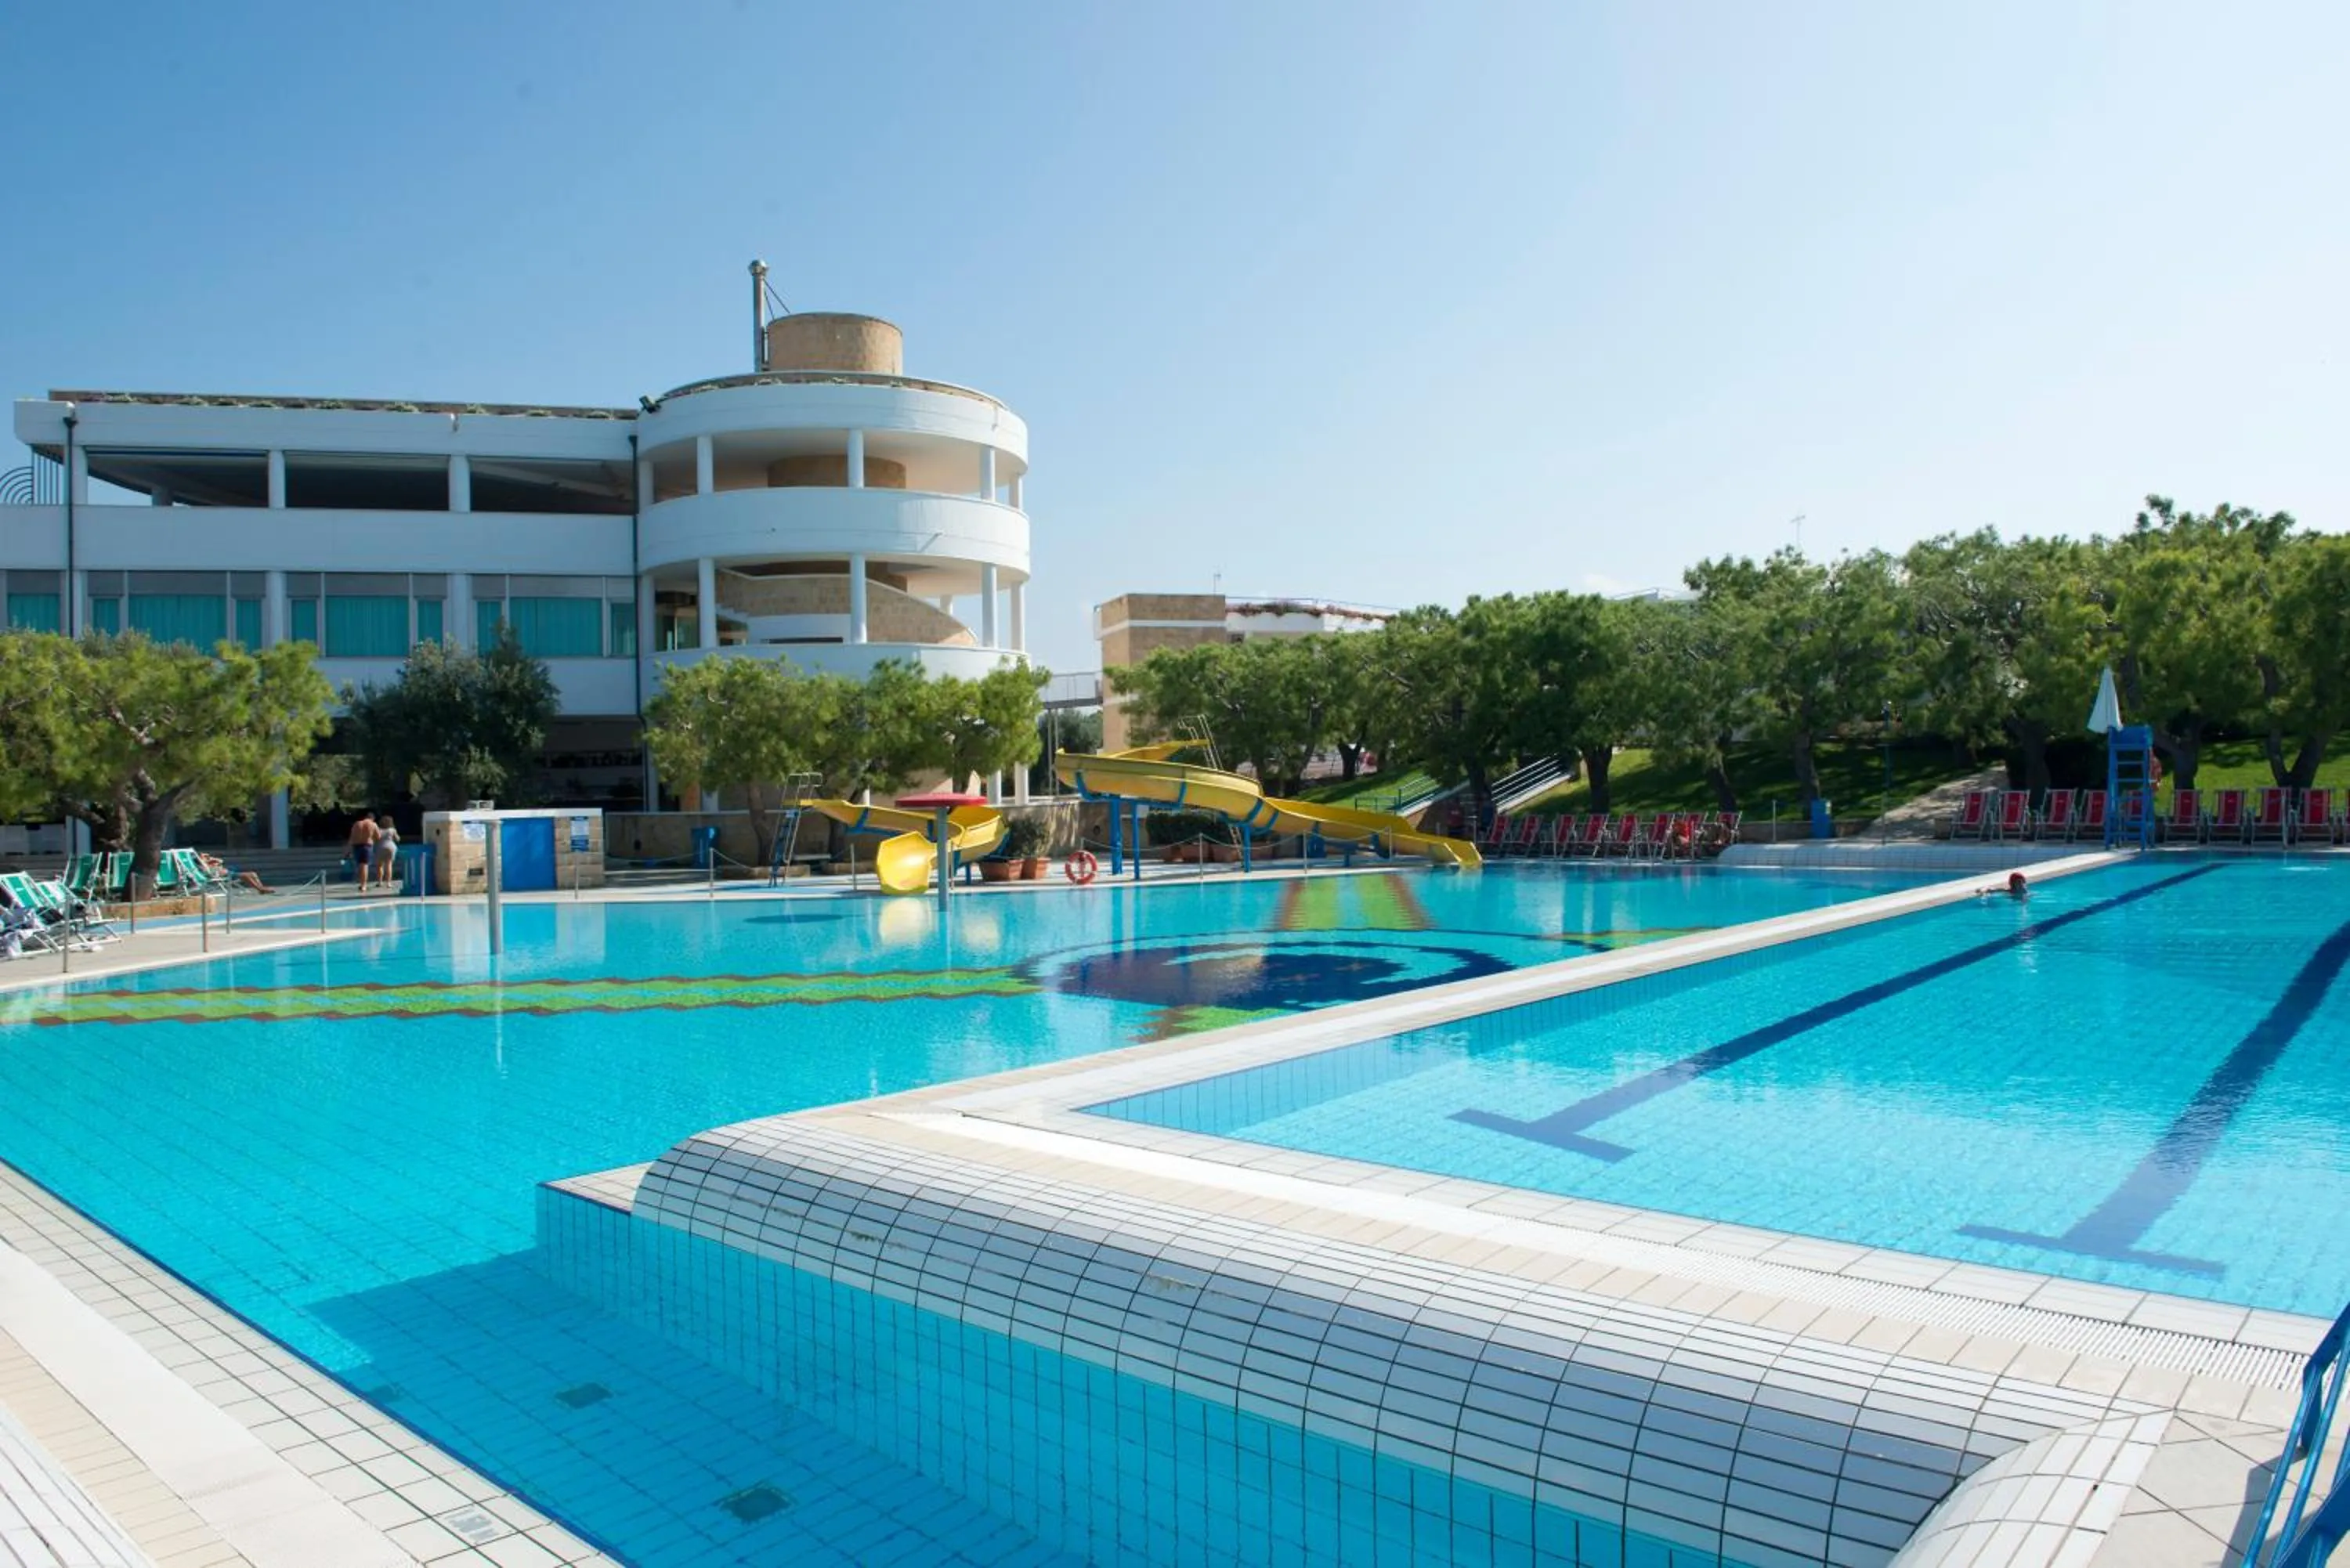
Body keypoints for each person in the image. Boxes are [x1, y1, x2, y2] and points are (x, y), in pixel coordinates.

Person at [198, 853, 276, 895]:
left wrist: (211, 859)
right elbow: (210, 870)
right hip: (225, 876)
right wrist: (206, 861)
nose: (206, 857)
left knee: (253, 873)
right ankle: (260, 889)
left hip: (229, 873)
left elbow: (221, 861)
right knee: (245, 876)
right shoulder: (203, 865)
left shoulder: (210, 862)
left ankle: (261, 889)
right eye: (204, 857)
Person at [348, 812, 381, 890]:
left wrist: (348, 849)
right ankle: (363, 885)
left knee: (359, 865)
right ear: (372, 818)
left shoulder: (357, 824)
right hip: (367, 845)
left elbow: (352, 837)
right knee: (364, 865)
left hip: (356, 846)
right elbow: (378, 837)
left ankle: (360, 882)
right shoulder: (373, 824)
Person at [374, 814, 402, 890]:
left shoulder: (378, 830)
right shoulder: (392, 830)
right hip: (391, 847)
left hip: (380, 847)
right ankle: (389, 883)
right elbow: (398, 839)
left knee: (379, 866)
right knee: (389, 865)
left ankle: (380, 882)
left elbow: (375, 839)